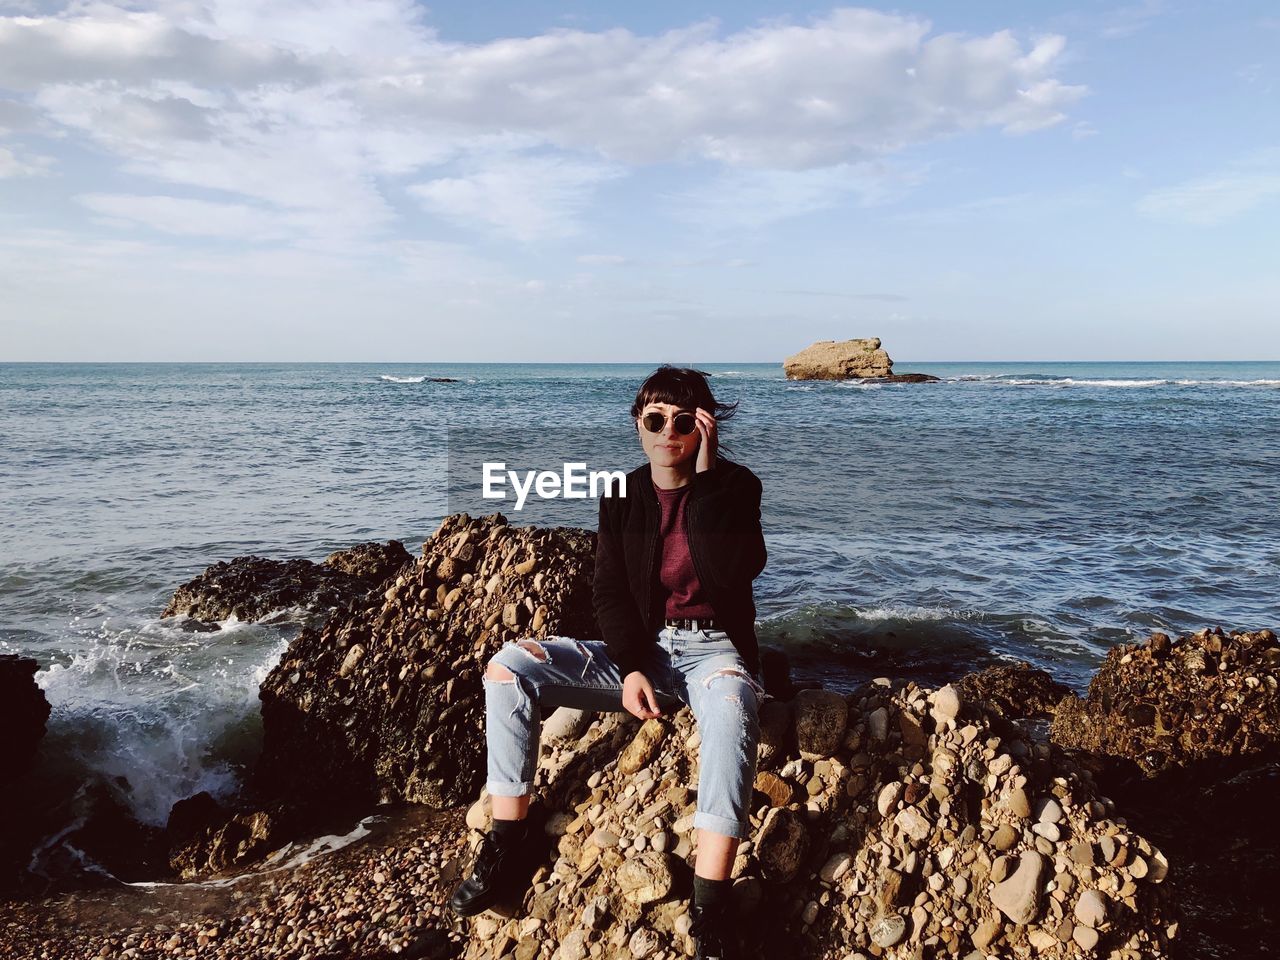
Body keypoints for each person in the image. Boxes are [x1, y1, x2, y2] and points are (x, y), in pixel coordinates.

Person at [447, 365, 768, 960]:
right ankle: (507, 841)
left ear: (703, 427)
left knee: (729, 708)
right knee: (509, 665)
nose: (668, 431)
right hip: (643, 652)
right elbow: (609, 593)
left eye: (683, 420)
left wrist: (706, 480)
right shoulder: (622, 494)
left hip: (714, 652)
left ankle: (711, 908)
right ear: (638, 425)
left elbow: (733, 570)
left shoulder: (736, 487)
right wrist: (633, 666)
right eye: (655, 419)